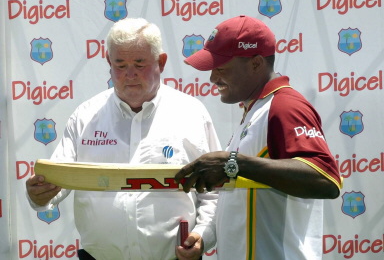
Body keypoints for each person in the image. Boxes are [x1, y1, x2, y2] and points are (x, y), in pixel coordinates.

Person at [26, 17, 221, 260]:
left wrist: (203, 235)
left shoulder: (191, 113)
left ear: (161, 62)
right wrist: (40, 194)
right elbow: (57, 181)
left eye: (140, 64)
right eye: (120, 65)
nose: (129, 74)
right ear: (108, 62)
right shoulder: (85, 116)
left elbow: (215, 191)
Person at [175, 15, 342, 260]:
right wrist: (206, 236)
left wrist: (233, 163)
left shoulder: (284, 105)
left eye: (221, 68)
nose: (212, 79)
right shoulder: (256, 109)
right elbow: (240, 200)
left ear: (255, 63)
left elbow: (326, 179)